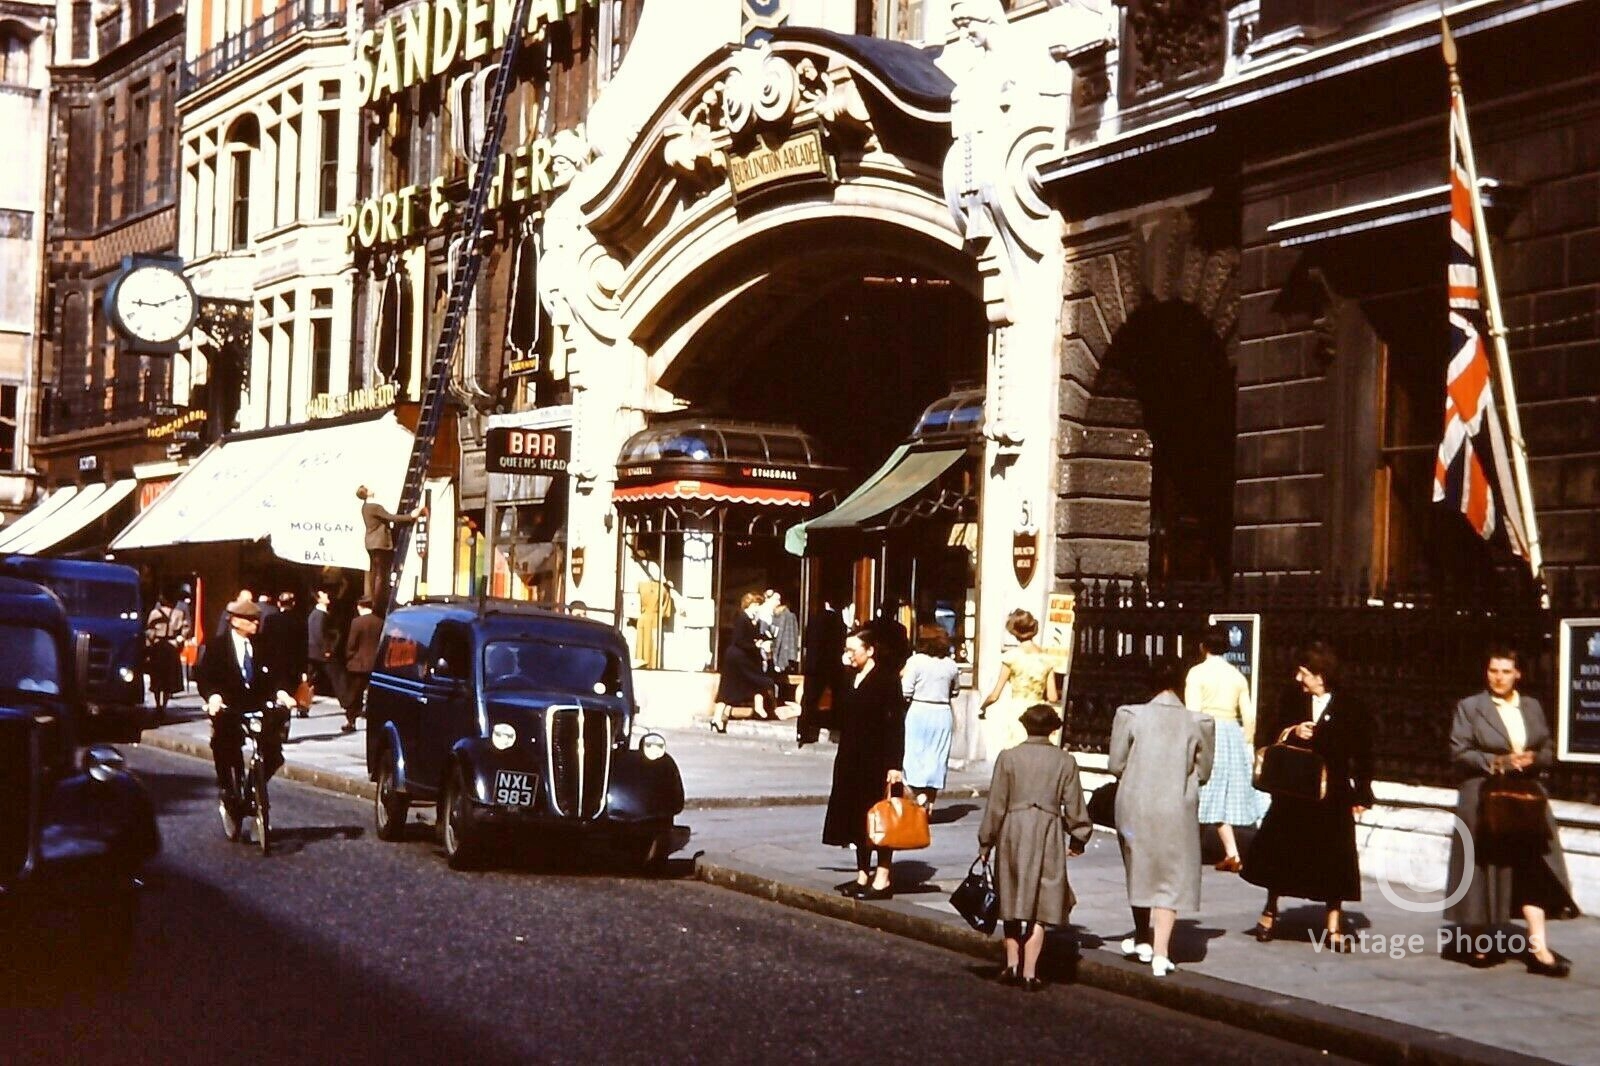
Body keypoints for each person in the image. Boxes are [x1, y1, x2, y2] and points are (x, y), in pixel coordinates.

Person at [1442, 647, 1577, 976]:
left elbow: (1546, 747)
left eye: (1505, 671)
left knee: (1534, 868)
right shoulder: (1471, 708)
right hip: (1484, 797)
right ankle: (1479, 942)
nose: (1498, 677)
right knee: (1482, 868)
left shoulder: (1530, 707)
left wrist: (1533, 758)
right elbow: (1460, 751)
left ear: (1518, 674)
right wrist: (1496, 762)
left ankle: (1538, 948)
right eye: (1493, 671)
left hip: (1525, 798)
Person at [1241, 641, 1374, 951]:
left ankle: (1333, 922)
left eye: (1303, 673)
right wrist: (1292, 731)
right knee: (1281, 850)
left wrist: (1363, 792)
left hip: (1333, 793)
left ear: (1320, 674)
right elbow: (1267, 733)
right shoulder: (1289, 699)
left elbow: (1364, 752)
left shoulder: (1350, 705)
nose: (1298, 679)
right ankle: (1270, 909)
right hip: (1295, 790)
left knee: (1335, 857)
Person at [1108, 656, 1216, 977]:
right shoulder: (1200, 722)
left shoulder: (1129, 715)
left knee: (1139, 866)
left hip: (1135, 802)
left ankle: (1142, 935)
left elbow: (1115, 764)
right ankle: (1161, 952)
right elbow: (1205, 771)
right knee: (1171, 875)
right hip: (1176, 805)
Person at [977, 703, 1093, 991]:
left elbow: (996, 805)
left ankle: (1012, 964)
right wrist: (1078, 837)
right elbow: (1075, 804)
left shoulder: (1008, 758)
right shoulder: (1065, 761)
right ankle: (1030, 972)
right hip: (1048, 832)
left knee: (1011, 895)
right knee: (1041, 901)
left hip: (1012, 830)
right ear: (1053, 729)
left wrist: (986, 841)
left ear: (1025, 726)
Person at [822, 628, 907, 900]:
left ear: (870, 650)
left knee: (879, 818)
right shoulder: (849, 678)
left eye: (853, 650)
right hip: (850, 757)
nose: (848, 656)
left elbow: (895, 725)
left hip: (877, 759)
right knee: (856, 817)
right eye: (846, 650)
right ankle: (862, 874)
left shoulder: (886, 679)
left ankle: (882, 877)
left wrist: (895, 764)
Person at [196, 599, 293, 836]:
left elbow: (276, 674)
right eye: (250, 620)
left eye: (256, 620)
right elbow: (206, 677)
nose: (255, 624)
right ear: (235, 621)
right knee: (226, 747)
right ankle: (229, 792)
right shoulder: (218, 647)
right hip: (230, 708)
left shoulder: (264, 645)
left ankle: (253, 791)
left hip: (257, 707)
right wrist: (214, 697)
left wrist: (282, 693)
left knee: (273, 752)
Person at [1185, 626, 1266, 871]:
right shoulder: (1236, 676)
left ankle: (1191, 852)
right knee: (1217, 794)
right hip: (1232, 733)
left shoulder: (1197, 674)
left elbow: (1194, 712)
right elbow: (1249, 715)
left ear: (1203, 647)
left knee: (1200, 790)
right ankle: (1231, 853)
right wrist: (1248, 742)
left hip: (1208, 731)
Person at [978, 609, 1058, 751]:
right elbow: (1052, 697)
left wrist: (983, 708)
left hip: (1016, 712)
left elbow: (995, 695)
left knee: (1015, 754)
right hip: (1039, 713)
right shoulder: (1047, 659)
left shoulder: (1011, 657)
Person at [900, 624, 960, 815]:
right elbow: (955, 691)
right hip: (942, 712)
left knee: (914, 755)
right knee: (936, 757)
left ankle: (916, 797)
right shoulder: (951, 664)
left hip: (919, 710)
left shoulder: (916, 661)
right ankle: (929, 802)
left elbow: (905, 690)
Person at [710, 592, 778, 732]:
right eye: (757, 605)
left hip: (739, 659)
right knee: (732, 688)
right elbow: (740, 641)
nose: (758, 608)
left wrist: (761, 639)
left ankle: (718, 718)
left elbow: (749, 638)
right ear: (751, 605)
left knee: (731, 689)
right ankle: (718, 718)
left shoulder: (749, 619)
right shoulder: (742, 619)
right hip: (737, 659)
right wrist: (757, 645)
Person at [357, 485, 425, 602]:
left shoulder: (365, 507)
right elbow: (391, 517)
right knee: (381, 574)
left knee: (374, 571)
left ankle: (373, 598)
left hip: (370, 542)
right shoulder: (375, 506)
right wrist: (411, 516)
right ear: (367, 493)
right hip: (379, 543)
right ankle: (378, 600)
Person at [798, 598, 847, 747]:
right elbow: (840, 643)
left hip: (813, 664)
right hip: (831, 664)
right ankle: (835, 724)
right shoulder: (838, 622)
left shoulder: (813, 620)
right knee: (838, 696)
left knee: (810, 698)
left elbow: (807, 640)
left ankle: (804, 731)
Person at [258, 591, 308, 718]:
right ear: (293, 603)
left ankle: (276, 722)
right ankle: (285, 724)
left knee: (275, 693)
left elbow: (264, 642)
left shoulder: (271, 619)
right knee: (289, 695)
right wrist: (304, 669)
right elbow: (303, 647)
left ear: (279, 603)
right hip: (293, 666)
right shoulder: (300, 621)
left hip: (273, 664)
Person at [340, 598, 382, 734]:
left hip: (358, 664)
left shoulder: (357, 622)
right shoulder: (380, 622)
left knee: (354, 693)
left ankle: (351, 720)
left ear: (360, 606)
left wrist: (349, 657)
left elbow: (351, 644)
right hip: (375, 663)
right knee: (374, 693)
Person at [144, 591, 185, 717]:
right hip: (172, 647)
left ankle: (157, 705)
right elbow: (184, 631)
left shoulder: (154, 613)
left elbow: (149, 631)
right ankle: (164, 705)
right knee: (169, 678)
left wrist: (149, 644)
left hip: (158, 647)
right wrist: (179, 642)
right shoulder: (179, 614)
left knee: (157, 677)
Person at [306, 588, 338, 701]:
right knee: (335, 675)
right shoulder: (319, 614)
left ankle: (304, 701)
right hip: (319, 652)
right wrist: (327, 650)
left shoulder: (319, 614)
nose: (326, 595)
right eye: (323, 594)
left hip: (314, 651)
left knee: (310, 677)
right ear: (318, 599)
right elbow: (319, 634)